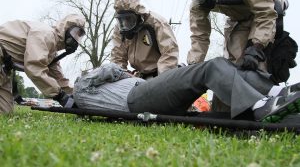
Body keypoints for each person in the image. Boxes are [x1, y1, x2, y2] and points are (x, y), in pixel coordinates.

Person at [73, 57, 300, 123]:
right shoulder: (81, 85)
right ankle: (264, 101)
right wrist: (127, 74)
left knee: (225, 67)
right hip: (137, 98)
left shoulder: (89, 95)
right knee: (209, 68)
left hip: (144, 99)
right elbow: (110, 68)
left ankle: (275, 97)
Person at [177, 0, 281, 72]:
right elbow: (199, 36)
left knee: (258, 62)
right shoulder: (197, 5)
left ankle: (265, 84)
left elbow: (265, 12)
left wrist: (256, 48)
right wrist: (192, 65)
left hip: (262, 14)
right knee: (236, 65)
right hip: (237, 20)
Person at [0, 14, 86, 114]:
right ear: (65, 28)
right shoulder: (46, 35)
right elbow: (35, 68)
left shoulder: (52, 53)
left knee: (5, 113)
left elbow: (59, 79)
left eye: (79, 35)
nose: (75, 38)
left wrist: (76, 96)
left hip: (3, 69)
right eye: (75, 32)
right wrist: (60, 96)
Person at [111, 0, 179, 79]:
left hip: (159, 73)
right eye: (121, 20)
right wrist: (119, 78)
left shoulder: (156, 22)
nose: (125, 24)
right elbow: (117, 57)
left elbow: (169, 52)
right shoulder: (119, 29)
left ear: (138, 15)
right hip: (138, 76)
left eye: (129, 19)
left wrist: (163, 80)